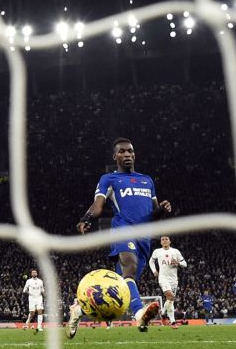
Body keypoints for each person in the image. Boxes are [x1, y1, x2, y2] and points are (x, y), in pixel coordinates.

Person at [70, 138, 170, 338]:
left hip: (144, 237)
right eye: (122, 152)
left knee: (122, 286)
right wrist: (86, 218)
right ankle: (140, 314)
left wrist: (163, 210)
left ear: (134, 155)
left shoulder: (147, 180)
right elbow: (98, 205)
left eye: (130, 151)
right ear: (114, 156)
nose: (127, 155)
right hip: (123, 229)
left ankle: (78, 311)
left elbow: (153, 213)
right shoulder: (109, 179)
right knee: (129, 268)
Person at [149, 235, 187, 326]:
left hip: (174, 280)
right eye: (162, 239)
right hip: (163, 278)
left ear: (170, 241)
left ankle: (163, 312)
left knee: (170, 300)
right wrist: (154, 271)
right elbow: (151, 261)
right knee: (170, 296)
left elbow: (185, 264)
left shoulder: (175, 251)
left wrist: (178, 263)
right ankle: (173, 322)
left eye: (166, 239)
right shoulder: (157, 251)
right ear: (161, 242)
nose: (164, 241)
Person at [22, 269, 45, 333]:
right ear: (31, 274)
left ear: (37, 274)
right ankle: (27, 324)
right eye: (33, 273)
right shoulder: (28, 281)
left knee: (40, 311)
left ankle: (39, 327)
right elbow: (24, 290)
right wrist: (29, 293)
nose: (34, 273)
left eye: (35, 272)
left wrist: (44, 293)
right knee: (32, 313)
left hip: (39, 298)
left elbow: (42, 289)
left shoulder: (40, 281)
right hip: (32, 298)